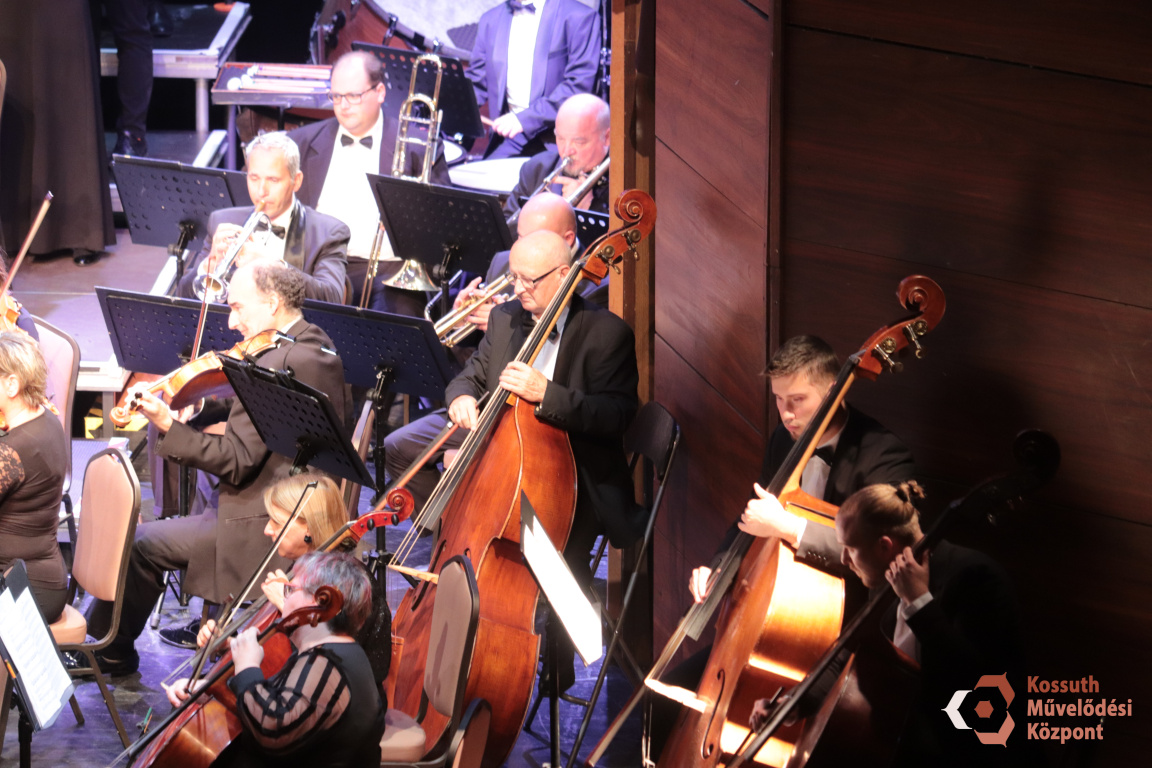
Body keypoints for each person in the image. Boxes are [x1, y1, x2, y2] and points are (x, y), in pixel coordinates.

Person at [651, 334, 916, 759]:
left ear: (832, 392)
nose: (787, 414)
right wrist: (719, 569)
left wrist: (790, 528)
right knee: (664, 700)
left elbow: (887, 550)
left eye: (797, 400)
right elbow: (752, 515)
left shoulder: (882, 455)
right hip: (770, 630)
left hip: (838, 637)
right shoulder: (783, 439)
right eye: (778, 400)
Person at [85, 260, 349, 675]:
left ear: (272, 303)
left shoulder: (283, 360)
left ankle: (108, 650)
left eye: (238, 307)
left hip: (264, 520)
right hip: (265, 498)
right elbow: (254, 409)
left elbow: (237, 460)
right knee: (195, 495)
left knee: (143, 543)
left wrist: (169, 424)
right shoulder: (309, 342)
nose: (231, 322)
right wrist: (201, 405)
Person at [749, 481, 1030, 768]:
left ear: (884, 546)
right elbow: (848, 656)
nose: (844, 559)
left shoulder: (975, 578)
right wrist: (794, 704)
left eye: (849, 549)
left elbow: (981, 688)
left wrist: (919, 603)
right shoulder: (884, 575)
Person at [384, 207, 623, 527]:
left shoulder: (606, 332)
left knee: (482, 473)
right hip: (497, 429)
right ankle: (453, 530)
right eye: (514, 278)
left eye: (529, 280)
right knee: (399, 447)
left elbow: (614, 415)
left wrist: (546, 393)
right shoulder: (505, 316)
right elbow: (472, 374)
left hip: (564, 454)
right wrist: (461, 397)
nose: (518, 289)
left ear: (563, 275)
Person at [165, 551, 386, 768]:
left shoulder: (328, 664)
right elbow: (279, 699)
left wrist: (247, 667)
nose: (284, 600)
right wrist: (210, 690)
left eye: (290, 590)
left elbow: (272, 730)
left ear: (322, 600)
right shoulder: (328, 655)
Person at [287, 51, 450, 315]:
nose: (343, 105)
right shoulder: (300, 143)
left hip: (392, 270)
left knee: (399, 324)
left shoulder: (417, 146)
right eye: (336, 96)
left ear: (380, 92)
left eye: (353, 95)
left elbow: (442, 223)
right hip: (321, 267)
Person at [177, 132, 349, 305]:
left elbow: (331, 298)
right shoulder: (222, 220)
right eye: (254, 178)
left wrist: (273, 266)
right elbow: (183, 297)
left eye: (273, 180)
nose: (261, 191)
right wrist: (208, 265)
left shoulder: (329, 232)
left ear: (296, 181)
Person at [467, 0, 601, 159]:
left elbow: (578, 87)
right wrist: (451, 102)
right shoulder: (490, 20)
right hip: (510, 138)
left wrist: (525, 119)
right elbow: (476, 84)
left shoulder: (579, 17)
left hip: (557, 140)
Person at [0, 332, 69, 623]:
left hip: (24, 591)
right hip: (36, 576)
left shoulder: (16, 450)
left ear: (12, 384)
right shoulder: (45, 418)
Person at [504, 93, 611, 219]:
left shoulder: (623, 182)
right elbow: (507, 226)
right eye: (560, 139)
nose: (567, 151)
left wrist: (590, 208)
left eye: (579, 142)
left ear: (606, 138)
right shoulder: (536, 169)